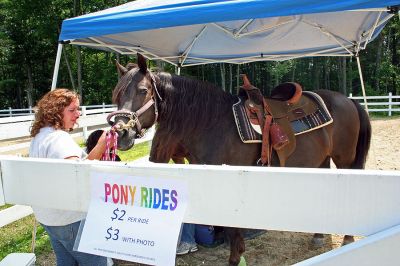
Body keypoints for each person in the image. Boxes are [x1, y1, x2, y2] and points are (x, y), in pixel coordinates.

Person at [29, 88, 112, 266]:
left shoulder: (40, 136)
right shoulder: (59, 139)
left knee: (66, 261)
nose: (78, 114)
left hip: (48, 217)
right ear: (56, 112)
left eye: (78, 109)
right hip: (69, 218)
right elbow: (77, 175)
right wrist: (102, 144)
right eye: (72, 110)